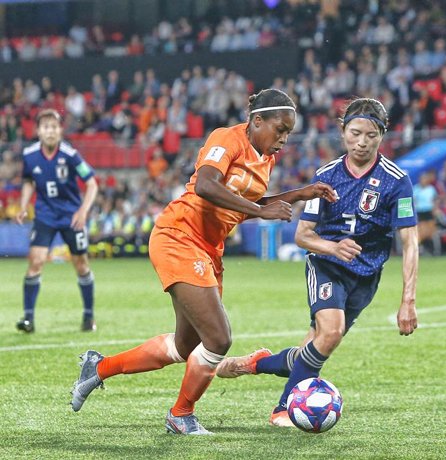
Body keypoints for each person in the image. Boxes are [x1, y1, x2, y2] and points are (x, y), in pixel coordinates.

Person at [70, 89, 338, 435]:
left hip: (209, 249)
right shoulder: (226, 138)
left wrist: (297, 194)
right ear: (257, 121)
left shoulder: (265, 160)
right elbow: (207, 186)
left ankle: (99, 367)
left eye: (289, 133)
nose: (284, 139)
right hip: (179, 235)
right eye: (280, 129)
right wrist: (261, 209)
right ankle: (181, 414)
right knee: (218, 337)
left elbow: (239, 205)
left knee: (186, 346)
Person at [215, 97, 420, 427]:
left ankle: (255, 363)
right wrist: (333, 247)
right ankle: (284, 409)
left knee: (316, 347)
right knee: (331, 332)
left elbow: (410, 244)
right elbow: (302, 235)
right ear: (342, 132)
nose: (362, 142)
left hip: (366, 278)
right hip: (326, 264)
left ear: (383, 134)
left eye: (371, 135)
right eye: (354, 133)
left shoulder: (396, 181)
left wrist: (408, 301)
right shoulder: (327, 175)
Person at [15, 109, 99, 333]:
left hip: (71, 217)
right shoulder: (29, 155)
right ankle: (28, 319)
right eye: (45, 127)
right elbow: (28, 181)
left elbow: (92, 184)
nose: (50, 131)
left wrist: (82, 211)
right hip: (45, 216)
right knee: (36, 262)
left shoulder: (71, 155)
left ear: (60, 130)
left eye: (54, 127)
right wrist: (23, 206)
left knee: (81, 265)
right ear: (38, 131)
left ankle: (88, 317)